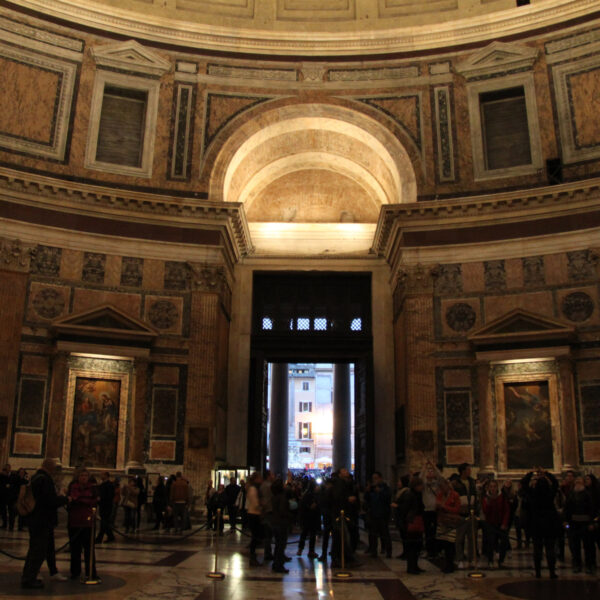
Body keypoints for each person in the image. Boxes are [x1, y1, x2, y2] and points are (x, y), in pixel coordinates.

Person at [21, 458, 69, 589]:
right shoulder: (44, 479)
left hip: (36, 519)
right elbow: (48, 500)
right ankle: (29, 579)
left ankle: (29, 576)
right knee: (38, 551)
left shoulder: (36, 477)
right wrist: (65, 499)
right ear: (50, 467)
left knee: (36, 549)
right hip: (42, 519)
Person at [521, 468, 560, 579]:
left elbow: (524, 484)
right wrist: (546, 473)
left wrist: (531, 473)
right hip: (549, 525)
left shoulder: (533, 494)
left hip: (536, 525)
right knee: (550, 549)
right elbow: (556, 483)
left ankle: (538, 572)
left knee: (537, 550)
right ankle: (552, 572)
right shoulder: (550, 494)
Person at [68, 468, 100, 582]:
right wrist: (83, 499)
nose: (84, 477)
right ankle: (75, 572)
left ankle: (91, 572)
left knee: (89, 549)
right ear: (78, 477)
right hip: (74, 521)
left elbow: (93, 501)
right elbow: (71, 500)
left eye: (86, 475)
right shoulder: (72, 486)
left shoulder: (93, 488)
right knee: (75, 549)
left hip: (88, 522)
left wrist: (79, 499)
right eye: (81, 475)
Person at [564, 476, 596, 574]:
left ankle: (589, 565)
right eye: (576, 481)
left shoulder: (587, 494)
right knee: (575, 546)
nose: (577, 483)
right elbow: (567, 508)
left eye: (580, 481)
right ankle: (577, 565)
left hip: (585, 523)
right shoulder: (571, 494)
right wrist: (566, 521)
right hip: (574, 523)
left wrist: (591, 523)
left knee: (588, 546)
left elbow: (591, 509)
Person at [451, 463, 478, 569]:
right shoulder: (455, 483)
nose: (470, 471)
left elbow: (475, 495)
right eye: (468, 469)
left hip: (471, 512)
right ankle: (460, 558)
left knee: (472, 538)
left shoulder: (472, 481)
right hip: (461, 513)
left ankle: (471, 559)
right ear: (462, 471)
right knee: (460, 538)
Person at [481, 479, 510, 569]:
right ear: (488, 488)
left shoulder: (502, 496)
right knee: (490, 542)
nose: (493, 488)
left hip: (501, 523)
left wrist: (504, 523)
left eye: (494, 486)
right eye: (491, 486)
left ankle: (501, 560)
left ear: (497, 487)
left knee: (504, 542)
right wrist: (489, 503)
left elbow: (506, 510)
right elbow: (485, 511)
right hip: (490, 523)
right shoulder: (486, 497)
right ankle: (490, 560)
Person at [399, 477, 425, 575]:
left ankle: (415, 565)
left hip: (418, 520)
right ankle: (411, 567)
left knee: (417, 545)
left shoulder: (418, 494)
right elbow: (405, 510)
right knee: (412, 546)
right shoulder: (410, 495)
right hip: (412, 522)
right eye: (420, 485)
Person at [364, 471, 392, 558]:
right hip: (373, 513)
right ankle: (373, 550)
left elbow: (388, 498)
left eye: (376, 478)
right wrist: (368, 491)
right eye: (373, 478)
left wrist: (380, 492)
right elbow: (367, 499)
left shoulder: (385, 487)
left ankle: (388, 551)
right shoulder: (372, 489)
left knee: (385, 533)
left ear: (380, 478)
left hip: (383, 514)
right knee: (373, 534)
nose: (374, 480)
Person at [435, 478, 462, 573]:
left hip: (451, 522)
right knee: (443, 543)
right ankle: (446, 563)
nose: (442, 489)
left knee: (450, 544)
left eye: (443, 487)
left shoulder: (455, 495)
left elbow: (457, 509)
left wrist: (444, 507)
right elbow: (437, 505)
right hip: (442, 522)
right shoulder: (440, 495)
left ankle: (450, 565)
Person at [419, 461, 443, 559]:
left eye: (432, 471)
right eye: (429, 471)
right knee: (428, 532)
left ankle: (436, 550)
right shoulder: (424, 484)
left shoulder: (437, 484)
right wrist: (424, 467)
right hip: (426, 510)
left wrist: (434, 466)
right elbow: (420, 478)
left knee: (436, 532)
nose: (430, 473)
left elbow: (440, 477)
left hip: (436, 510)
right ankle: (429, 550)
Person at [270, 478, 290, 574]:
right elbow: (282, 510)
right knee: (281, 545)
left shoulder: (274, 496)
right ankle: (278, 565)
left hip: (274, 522)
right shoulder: (282, 497)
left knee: (278, 545)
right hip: (281, 523)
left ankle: (276, 563)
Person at [297, 479, 320, 559]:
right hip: (311, 517)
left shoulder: (305, 494)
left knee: (304, 533)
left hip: (306, 517)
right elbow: (312, 506)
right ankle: (311, 551)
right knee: (312, 534)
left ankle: (300, 549)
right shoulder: (312, 495)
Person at [246, 472, 263, 566]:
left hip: (254, 514)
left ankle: (253, 557)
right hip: (254, 514)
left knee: (256, 537)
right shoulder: (253, 489)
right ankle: (252, 557)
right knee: (255, 537)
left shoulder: (254, 488)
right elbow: (255, 504)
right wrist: (262, 507)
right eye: (259, 478)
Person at [391, 475, 410, 559]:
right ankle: (405, 552)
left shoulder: (406, 492)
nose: (398, 483)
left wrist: (397, 506)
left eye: (399, 481)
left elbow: (406, 506)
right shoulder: (400, 492)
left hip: (404, 518)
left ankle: (407, 553)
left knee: (406, 536)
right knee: (403, 536)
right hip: (400, 517)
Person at [95, 472, 115, 543]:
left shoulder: (109, 485)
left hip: (107, 506)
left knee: (104, 522)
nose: (100, 475)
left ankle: (99, 538)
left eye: (102, 474)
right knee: (104, 522)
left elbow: (110, 496)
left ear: (106, 476)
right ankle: (110, 536)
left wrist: (101, 498)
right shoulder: (102, 484)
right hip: (102, 505)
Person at [260, 470, 275, 559]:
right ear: (269, 476)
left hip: (266, 510)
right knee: (268, 533)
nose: (274, 476)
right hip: (268, 511)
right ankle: (268, 553)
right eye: (272, 475)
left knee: (268, 534)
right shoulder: (268, 486)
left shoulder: (263, 486)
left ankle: (268, 552)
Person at [0, 463, 9, 529]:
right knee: (3, 512)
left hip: (3, 497)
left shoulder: (6, 477)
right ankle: (4, 524)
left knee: (3, 512)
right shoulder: (6, 477)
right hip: (3, 497)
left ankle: (5, 524)